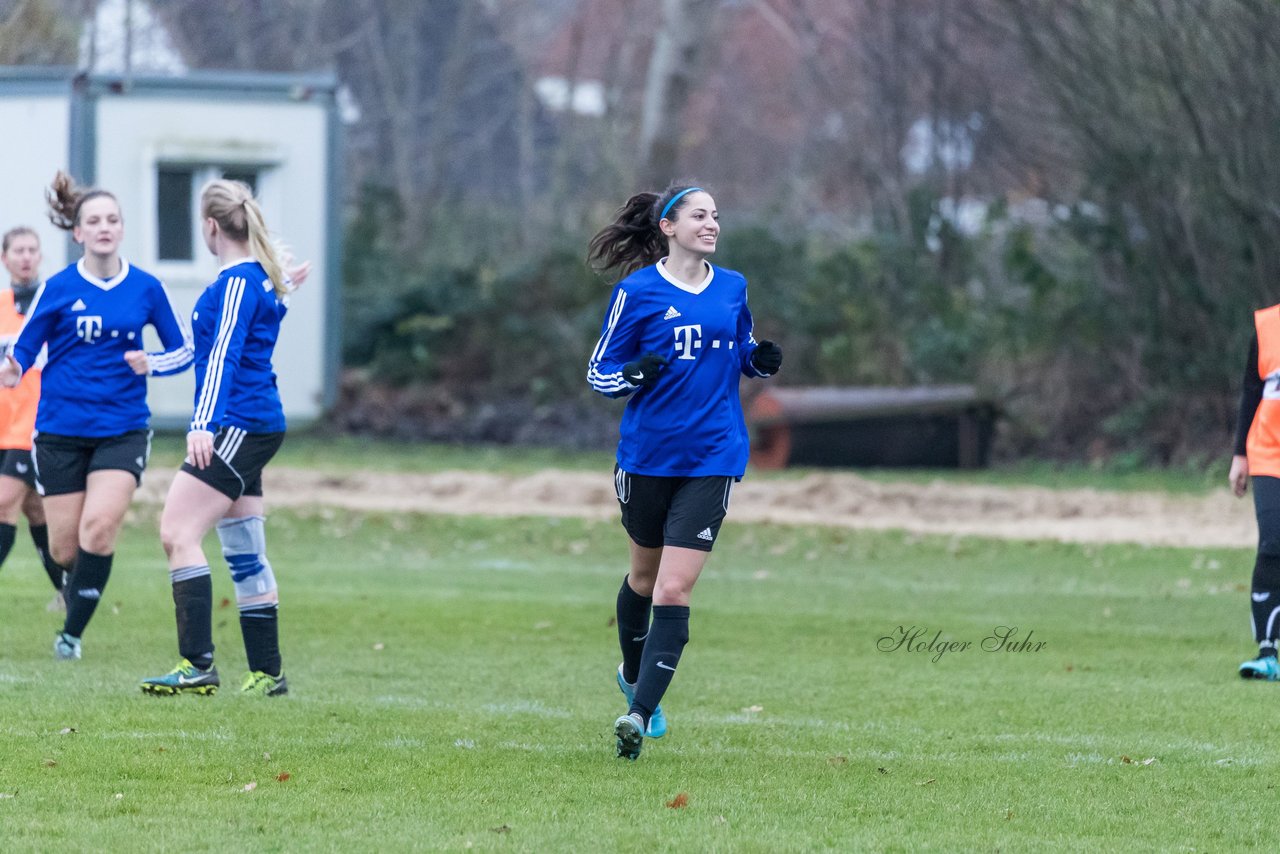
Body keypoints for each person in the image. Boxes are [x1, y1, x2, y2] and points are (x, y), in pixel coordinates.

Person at [586, 183, 783, 760]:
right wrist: (634, 376)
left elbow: (740, 347)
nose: (712, 223)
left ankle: (637, 714)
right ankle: (631, 671)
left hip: (714, 455)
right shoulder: (637, 292)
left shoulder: (732, 286)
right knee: (644, 581)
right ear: (669, 227)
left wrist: (758, 361)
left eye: (717, 215)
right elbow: (601, 373)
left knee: (674, 586)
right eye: (699, 215)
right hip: (648, 458)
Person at [0, 171, 194, 661]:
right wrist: (13, 367)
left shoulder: (146, 289)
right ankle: (76, 595)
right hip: (60, 432)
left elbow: (183, 351)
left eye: (112, 219)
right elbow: (25, 348)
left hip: (121, 429)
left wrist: (152, 361)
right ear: (78, 233)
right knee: (65, 550)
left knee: (99, 529)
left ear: (122, 229)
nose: (104, 226)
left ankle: (71, 635)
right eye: (94, 220)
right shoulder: (60, 288)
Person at [139, 178, 308, 697]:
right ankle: (268, 675)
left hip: (238, 422)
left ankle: (197, 665)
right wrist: (150, 363)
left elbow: (224, 359)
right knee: (243, 549)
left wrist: (201, 424)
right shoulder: (253, 279)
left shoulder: (236, 283)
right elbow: (202, 347)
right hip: (257, 421)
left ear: (210, 226)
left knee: (177, 533)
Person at [0, 227, 66, 607]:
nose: (26, 256)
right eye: (18, 250)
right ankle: (67, 589)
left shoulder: (51, 304)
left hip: (33, 424)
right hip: (3, 424)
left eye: (32, 249)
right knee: (35, 510)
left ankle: (69, 590)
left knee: (4, 503)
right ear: (5, 259)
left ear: (40, 257)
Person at [1230, 305, 1280, 680]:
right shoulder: (1267, 325)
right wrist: (1239, 454)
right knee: (1272, 545)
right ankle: (1267, 652)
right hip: (1269, 454)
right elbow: (1252, 390)